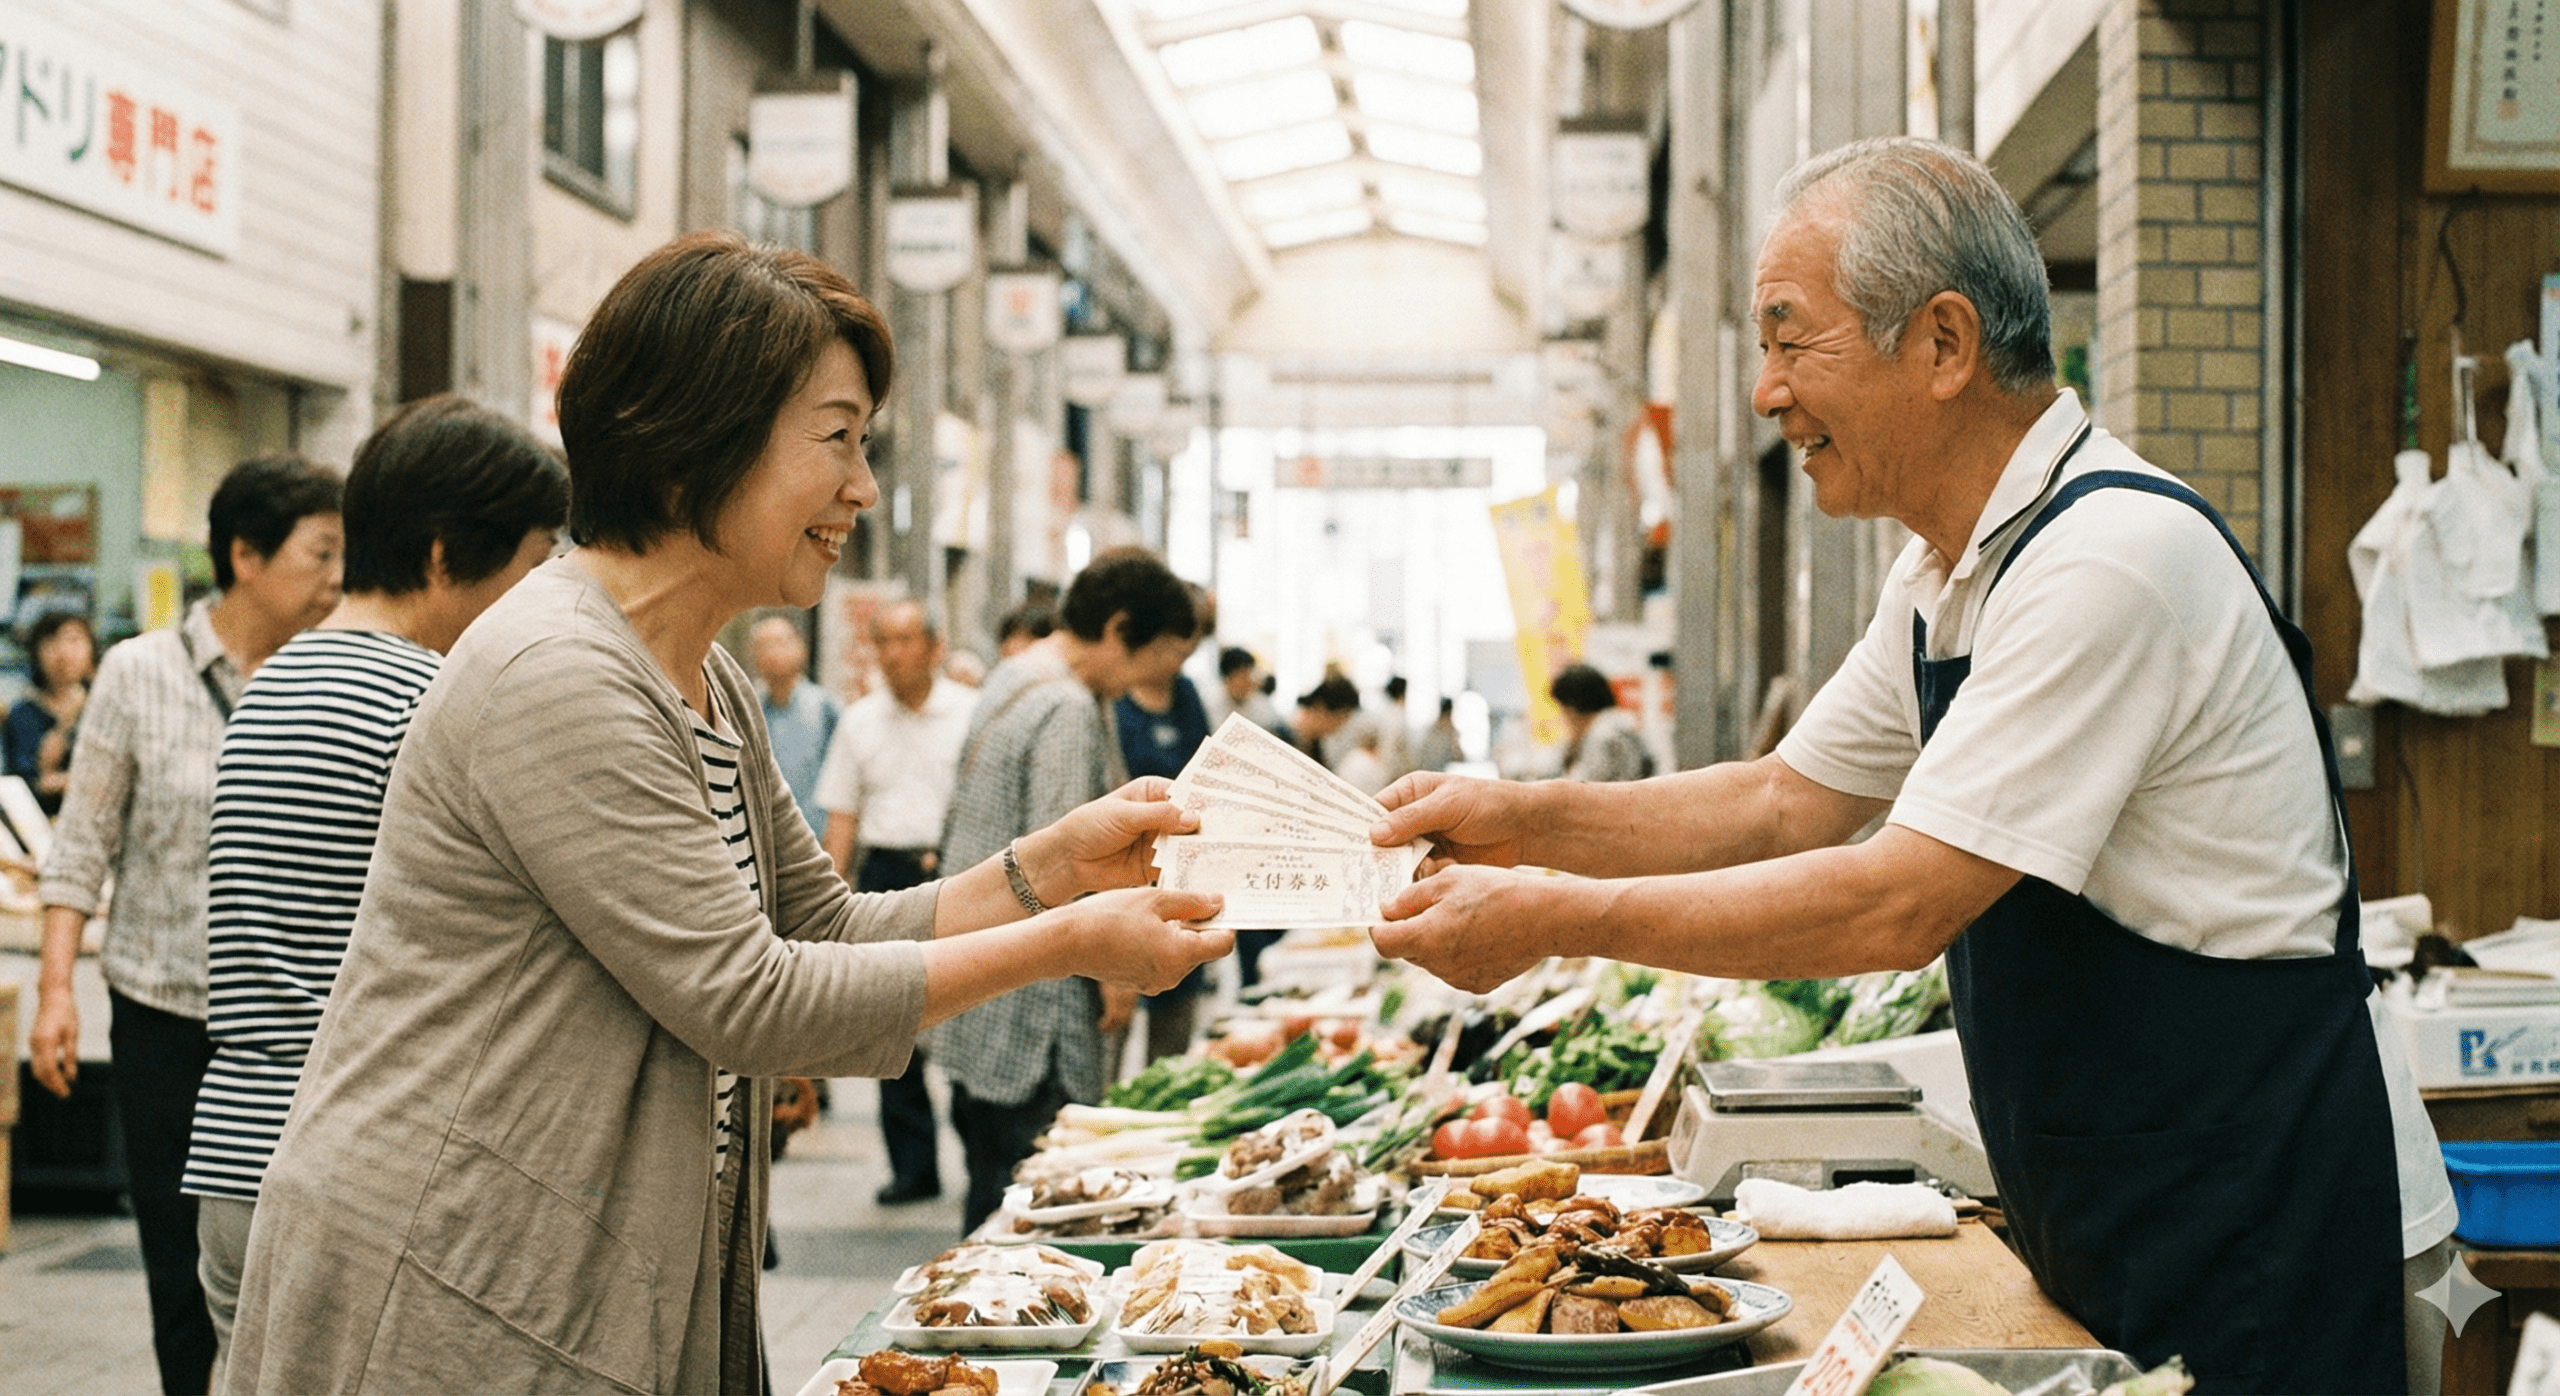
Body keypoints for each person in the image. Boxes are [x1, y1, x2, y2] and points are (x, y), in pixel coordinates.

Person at [1366, 137, 2451, 1396]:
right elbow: (1786, 797)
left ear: (1942, 345)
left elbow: (1896, 901)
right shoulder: (1949, 569)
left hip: (2267, 1206)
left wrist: (1557, 919)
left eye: (1789, 339)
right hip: (2138, 1185)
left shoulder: (2105, 561)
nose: (1766, 395)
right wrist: (1516, 817)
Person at [221, 233, 1228, 1395]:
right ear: (693, 438)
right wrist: (1067, 944)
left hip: (590, 1248)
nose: (863, 486)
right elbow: (750, 995)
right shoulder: (556, 667)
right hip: (461, 1261)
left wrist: (1045, 869)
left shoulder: (706, 674)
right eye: (838, 438)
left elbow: (823, 928)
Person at [177, 395, 568, 1392]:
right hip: (361, 1161)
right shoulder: (431, 704)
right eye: (528, 566)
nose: (536, 596)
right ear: (445, 556)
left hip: (232, 1149)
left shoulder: (270, 680)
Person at [29, 453, 343, 1396]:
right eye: (320, 554)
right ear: (245, 555)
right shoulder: (137, 674)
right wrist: (55, 994)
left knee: (290, 1264)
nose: (338, 578)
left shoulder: (332, 675)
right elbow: (81, 846)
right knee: (178, 1268)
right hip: (166, 1017)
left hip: (294, 1027)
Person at [933, 547, 1200, 1233]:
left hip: (980, 996)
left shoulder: (1014, 675)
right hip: (1033, 1020)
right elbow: (1068, 866)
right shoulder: (1066, 706)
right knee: (1026, 1216)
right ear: (1118, 629)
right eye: (1162, 658)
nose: (1160, 679)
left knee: (988, 1198)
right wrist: (1110, 971)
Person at [814, 598, 979, 1206]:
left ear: (935, 647)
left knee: (970, 1010)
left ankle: (983, 1155)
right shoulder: (858, 721)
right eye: (882, 641)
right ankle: (913, 1168)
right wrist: (828, 908)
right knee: (894, 1018)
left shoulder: (969, 714)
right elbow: (842, 820)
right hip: (885, 871)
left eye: (906, 640)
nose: (892, 653)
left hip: (959, 871)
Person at [1112, 587, 1213, 1069]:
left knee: (1175, 1018)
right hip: (1124, 872)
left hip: (1183, 872)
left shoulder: (1187, 695)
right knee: (1118, 997)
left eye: (1188, 649)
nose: (1181, 658)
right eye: (1174, 647)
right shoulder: (1114, 703)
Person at [747, 614, 841, 837]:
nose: (772, 653)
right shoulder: (748, 709)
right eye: (763, 646)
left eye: (781, 643)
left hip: (815, 837)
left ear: (801, 648)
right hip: (762, 837)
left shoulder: (825, 707)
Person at [6, 610, 96, 814]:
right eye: (51, 642)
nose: (64, 652)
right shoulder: (22, 715)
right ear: (35, 653)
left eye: (74, 640)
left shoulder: (106, 705)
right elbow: (24, 784)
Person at [1549, 663, 1653, 782]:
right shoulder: (1625, 724)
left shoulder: (1601, 738)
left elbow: (1588, 790)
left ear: (1572, 708)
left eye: (1562, 710)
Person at [1414, 696, 1462, 773]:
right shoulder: (1435, 730)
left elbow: (1458, 757)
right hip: (1431, 773)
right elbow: (1458, 756)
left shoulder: (1449, 731)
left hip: (1439, 773)